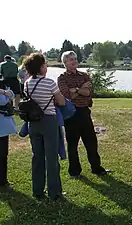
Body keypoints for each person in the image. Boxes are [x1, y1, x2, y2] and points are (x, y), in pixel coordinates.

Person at [57, 51, 110, 177]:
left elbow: (88, 93)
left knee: (91, 141)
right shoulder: (62, 78)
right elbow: (67, 96)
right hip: (71, 114)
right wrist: (80, 89)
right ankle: (74, 171)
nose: (74, 61)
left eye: (75, 58)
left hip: (84, 112)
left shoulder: (85, 76)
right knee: (73, 144)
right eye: (70, 59)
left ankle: (96, 168)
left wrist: (75, 90)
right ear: (65, 63)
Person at [23, 52, 66, 200]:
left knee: (37, 156)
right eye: (45, 64)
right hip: (48, 121)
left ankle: (37, 190)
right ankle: (54, 192)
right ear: (41, 67)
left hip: (33, 123)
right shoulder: (49, 83)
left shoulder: (27, 83)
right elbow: (62, 102)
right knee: (51, 157)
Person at [0, 79, 17, 187]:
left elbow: (12, 96)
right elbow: (3, 101)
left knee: (3, 153)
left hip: (3, 125)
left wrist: (4, 92)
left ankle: (2, 180)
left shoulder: (2, 83)